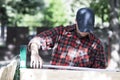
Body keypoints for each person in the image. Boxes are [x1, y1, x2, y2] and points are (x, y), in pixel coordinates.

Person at [28, 7, 107, 69]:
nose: (84, 31)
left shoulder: (97, 45)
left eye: (87, 29)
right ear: (76, 21)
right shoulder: (62, 32)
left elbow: (99, 71)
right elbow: (37, 40)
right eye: (82, 28)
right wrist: (34, 53)